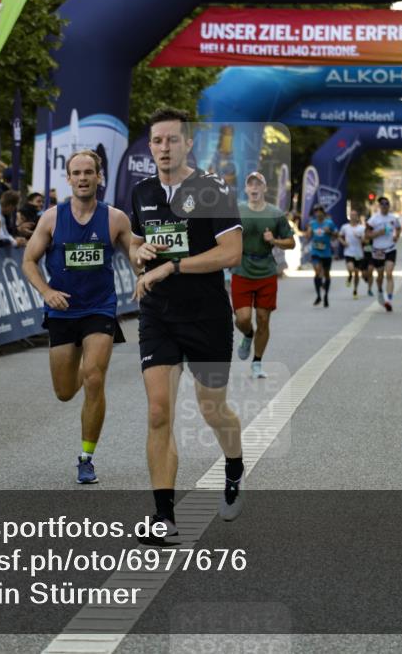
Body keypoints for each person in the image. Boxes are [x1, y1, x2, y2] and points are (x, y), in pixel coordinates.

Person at [128, 108, 244, 542]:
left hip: (206, 315)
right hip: (158, 314)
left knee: (212, 409)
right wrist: (139, 254)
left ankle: (234, 464)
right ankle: (164, 516)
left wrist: (173, 266)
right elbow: (136, 242)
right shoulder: (142, 192)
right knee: (159, 410)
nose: (164, 148)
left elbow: (230, 252)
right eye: (157, 141)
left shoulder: (212, 189)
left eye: (172, 140)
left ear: (188, 144)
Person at [24, 150, 134, 485]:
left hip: (99, 307)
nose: (83, 178)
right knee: (64, 391)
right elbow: (28, 261)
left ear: (99, 177)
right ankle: (80, 375)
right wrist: (46, 291)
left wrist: (146, 275)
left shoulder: (115, 219)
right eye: (77, 173)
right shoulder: (51, 218)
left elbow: (136, 256)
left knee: (94, 377)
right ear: (69, 178)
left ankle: (86, 458)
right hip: (62, 310)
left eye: (89, 172)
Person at [232, 171, 295, 378]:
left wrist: (274, 240)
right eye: (251, 184)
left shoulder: (275, 213)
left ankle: (257, 362)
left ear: (264, 188)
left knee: (263, 318)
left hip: (266, 270)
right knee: (242, 319)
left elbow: (291, 242)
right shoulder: (237, 210)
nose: (254, 188)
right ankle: (248, 334)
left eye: (258, 184)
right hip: (242, 268)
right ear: (246, 189)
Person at [366, 196, 401, 312]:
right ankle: (380, 290)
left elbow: (398, 228)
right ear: (379, 206)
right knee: (380, 276)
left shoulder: (393, 218)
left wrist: (396, 236)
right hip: (378, 251)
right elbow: (367, 235)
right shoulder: (374, 219)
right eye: (382, 204)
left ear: (389, 206)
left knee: (389, 273)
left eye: (387, 204)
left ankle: (388, 300)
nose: (385, 206)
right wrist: (378, 233)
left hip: (390, 249)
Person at [303, 205, 336, 307]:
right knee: (317, 271)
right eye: (316, 211)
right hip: (316, 251)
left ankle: (326, 296)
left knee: (326, 274)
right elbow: (307, 236)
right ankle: (318, 296)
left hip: (326, 252)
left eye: (319, 211)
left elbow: (336, 235)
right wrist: (308, 233)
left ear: (323, 212)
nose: (318, 213)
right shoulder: (312, 223)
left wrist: (330, 232)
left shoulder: (329, 223)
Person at [338, 207, 367, 299]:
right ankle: (350, 276)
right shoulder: (345, 227)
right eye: (351, 215)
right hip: (348, 252)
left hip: (358, 253)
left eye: (355, 215)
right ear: (349, 217)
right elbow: (339, 236)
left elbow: (365, 240)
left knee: (357, 273)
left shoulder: (362, 228)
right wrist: (343, 242)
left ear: (357, 217)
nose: (353, 217)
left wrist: (360, 238)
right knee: (351, 268)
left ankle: (355, 290)